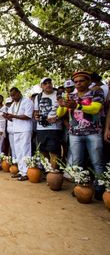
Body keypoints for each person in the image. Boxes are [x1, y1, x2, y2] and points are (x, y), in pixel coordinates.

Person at [57, 71, 104, 200]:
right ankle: (80, 187)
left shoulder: (96, 92)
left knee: (97, 162)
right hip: (75, 134)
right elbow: (61, 113)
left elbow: (96, 108)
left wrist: (77, 105)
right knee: (77, 162)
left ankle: (100, 189)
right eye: (76, 82)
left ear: (88, 81)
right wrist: (61, 105)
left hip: (93, 132)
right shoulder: (70, 95)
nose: (78, 84)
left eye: (81, 81)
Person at [4, 87, 34, 181]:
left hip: (25, 129)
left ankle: (26, 172)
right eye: (11, 96)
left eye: (14, 95)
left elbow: (28, 116)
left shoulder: (27, 101)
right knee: (18, 152)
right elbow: (12, 118)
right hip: (16, 130)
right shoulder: (13, 104)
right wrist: (7, 117)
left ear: (19, 92)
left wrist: (13, 116)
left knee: (25, 151)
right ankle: (21, 171)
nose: (13, 97)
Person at [34, 77, 63, 169]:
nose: (48, 85)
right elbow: (36, 111)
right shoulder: (38, 97)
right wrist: (36, 116)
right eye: (45, 83)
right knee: (43, 150)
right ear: (41, 86)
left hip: (54, 128)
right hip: (41, 128)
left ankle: (53, 172)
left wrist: (57, 117)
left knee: (54, 151)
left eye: (49, 82)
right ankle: (47, 170)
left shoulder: (59, 95)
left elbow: (65, 109)